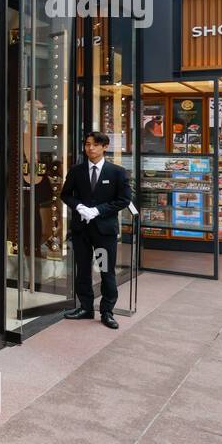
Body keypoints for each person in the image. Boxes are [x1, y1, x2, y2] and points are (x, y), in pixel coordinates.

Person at [61, 131, 132, 330]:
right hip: (81, 230)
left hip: (103, 233)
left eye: (94, 145)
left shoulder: (117, 172)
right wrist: (79, 207)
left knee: (106, 270)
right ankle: (85, 307)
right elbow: (65, 194)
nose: (90, 148)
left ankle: (107, 311)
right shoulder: (77, 170)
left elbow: (124, 200)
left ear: (105, 147)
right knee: (82, 269)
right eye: (87, 144)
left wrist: (98, 210)